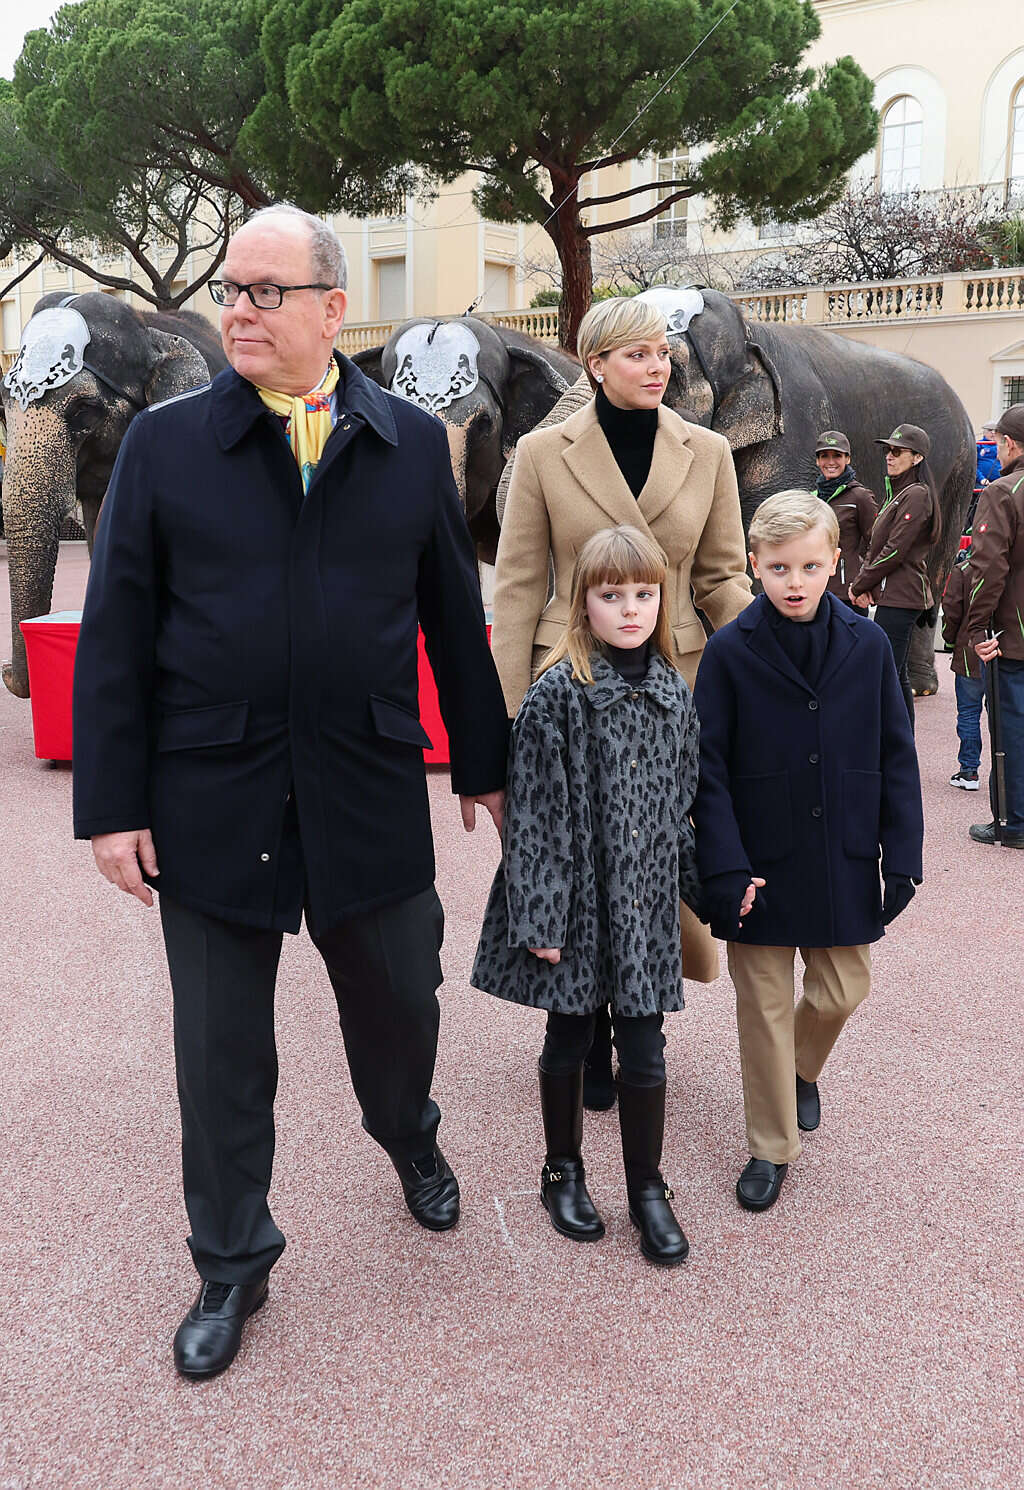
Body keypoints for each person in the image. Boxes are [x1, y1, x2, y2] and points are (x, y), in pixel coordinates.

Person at [72, 204, 510, 1379]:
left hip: (366, 783)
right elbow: (115, 632)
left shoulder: (410, 442)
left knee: (401, 1003)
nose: (240, 310)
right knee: (219, 1049)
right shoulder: (165, 444)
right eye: (231, 288)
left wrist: (483, 761)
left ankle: (407, 1132)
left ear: (331, 308)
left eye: (266, 291)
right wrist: (111, 805)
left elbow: (451, 614)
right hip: (211, 794)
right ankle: (231, 1259)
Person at [491, 296, 752, 1107]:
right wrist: (508, 714)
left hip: (674, 678)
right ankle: (588, 1017)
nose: (657, 365)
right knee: (581, 851)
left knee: (660, 853)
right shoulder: (543, 453)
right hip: (569, 682)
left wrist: (774, 659)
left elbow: (722, 576)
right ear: (595, 364)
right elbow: (520, 583)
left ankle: (639, 1012)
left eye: (663, 352)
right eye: (637, 353)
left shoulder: (707, 452)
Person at [473, 525, 701, 1266]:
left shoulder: (673, 694)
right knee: (569, 1036)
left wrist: (713, 890)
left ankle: (647, 1190)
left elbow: (683, 806)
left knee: (645, 1048)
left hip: (644, 908)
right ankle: (561, 1171)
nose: (630, 609)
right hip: (575, 904)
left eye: (643, 594)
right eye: (611, 595)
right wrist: (541, 915)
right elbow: (535, 816)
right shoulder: (557, 695)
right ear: (583, 602)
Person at [692, 491, 923, 1213]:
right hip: (758, 860)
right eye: (780, 568)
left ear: (836, 563)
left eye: (811, 567)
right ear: (754, 565)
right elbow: (707, 768)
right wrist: (724, 864)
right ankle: (770, 1146)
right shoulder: (729, 651)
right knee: (761, 1009)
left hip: (842, 852)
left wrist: (902, 853)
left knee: (842, 990)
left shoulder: (870, 645)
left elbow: (896, 749)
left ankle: (800, 1068)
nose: (795, 582)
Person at [848, 423, 941, 733]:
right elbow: (879, 547)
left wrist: (860, 584)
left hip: (903, 597)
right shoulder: (900, 493)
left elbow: (894, 551)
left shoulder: (916, 495)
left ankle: (896, 741)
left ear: (917, 458)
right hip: (895, 596)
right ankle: (902, 741)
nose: (889, 456)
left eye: (898, 451)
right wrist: (867, 584)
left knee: (886, 672)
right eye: (888, 450)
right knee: (896, 673)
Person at [964, 402, 1024, 849]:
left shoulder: (1002, 492)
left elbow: (987, 568)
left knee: (1012, 730)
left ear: (1009, 443)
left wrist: (976, 628)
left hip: (1013, 635)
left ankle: (1013, 821)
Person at [812, 429, 877, 603]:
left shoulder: (860, 496)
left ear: (847, 459)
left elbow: (876, 544)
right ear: (818, 461)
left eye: (837, 456)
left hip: (848, 594)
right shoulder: (812, 499)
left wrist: (863, 584)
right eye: (824, 456)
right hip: (814, 592)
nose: (830, 462)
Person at [940, 543, 985, 791]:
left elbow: (952, 610)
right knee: (1006, 716)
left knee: (968, 713)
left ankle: (969, 770)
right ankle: (1010, 772)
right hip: (1004, 649)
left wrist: (949, 639)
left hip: (970, 650)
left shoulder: (964, 569)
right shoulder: (1012, 567)